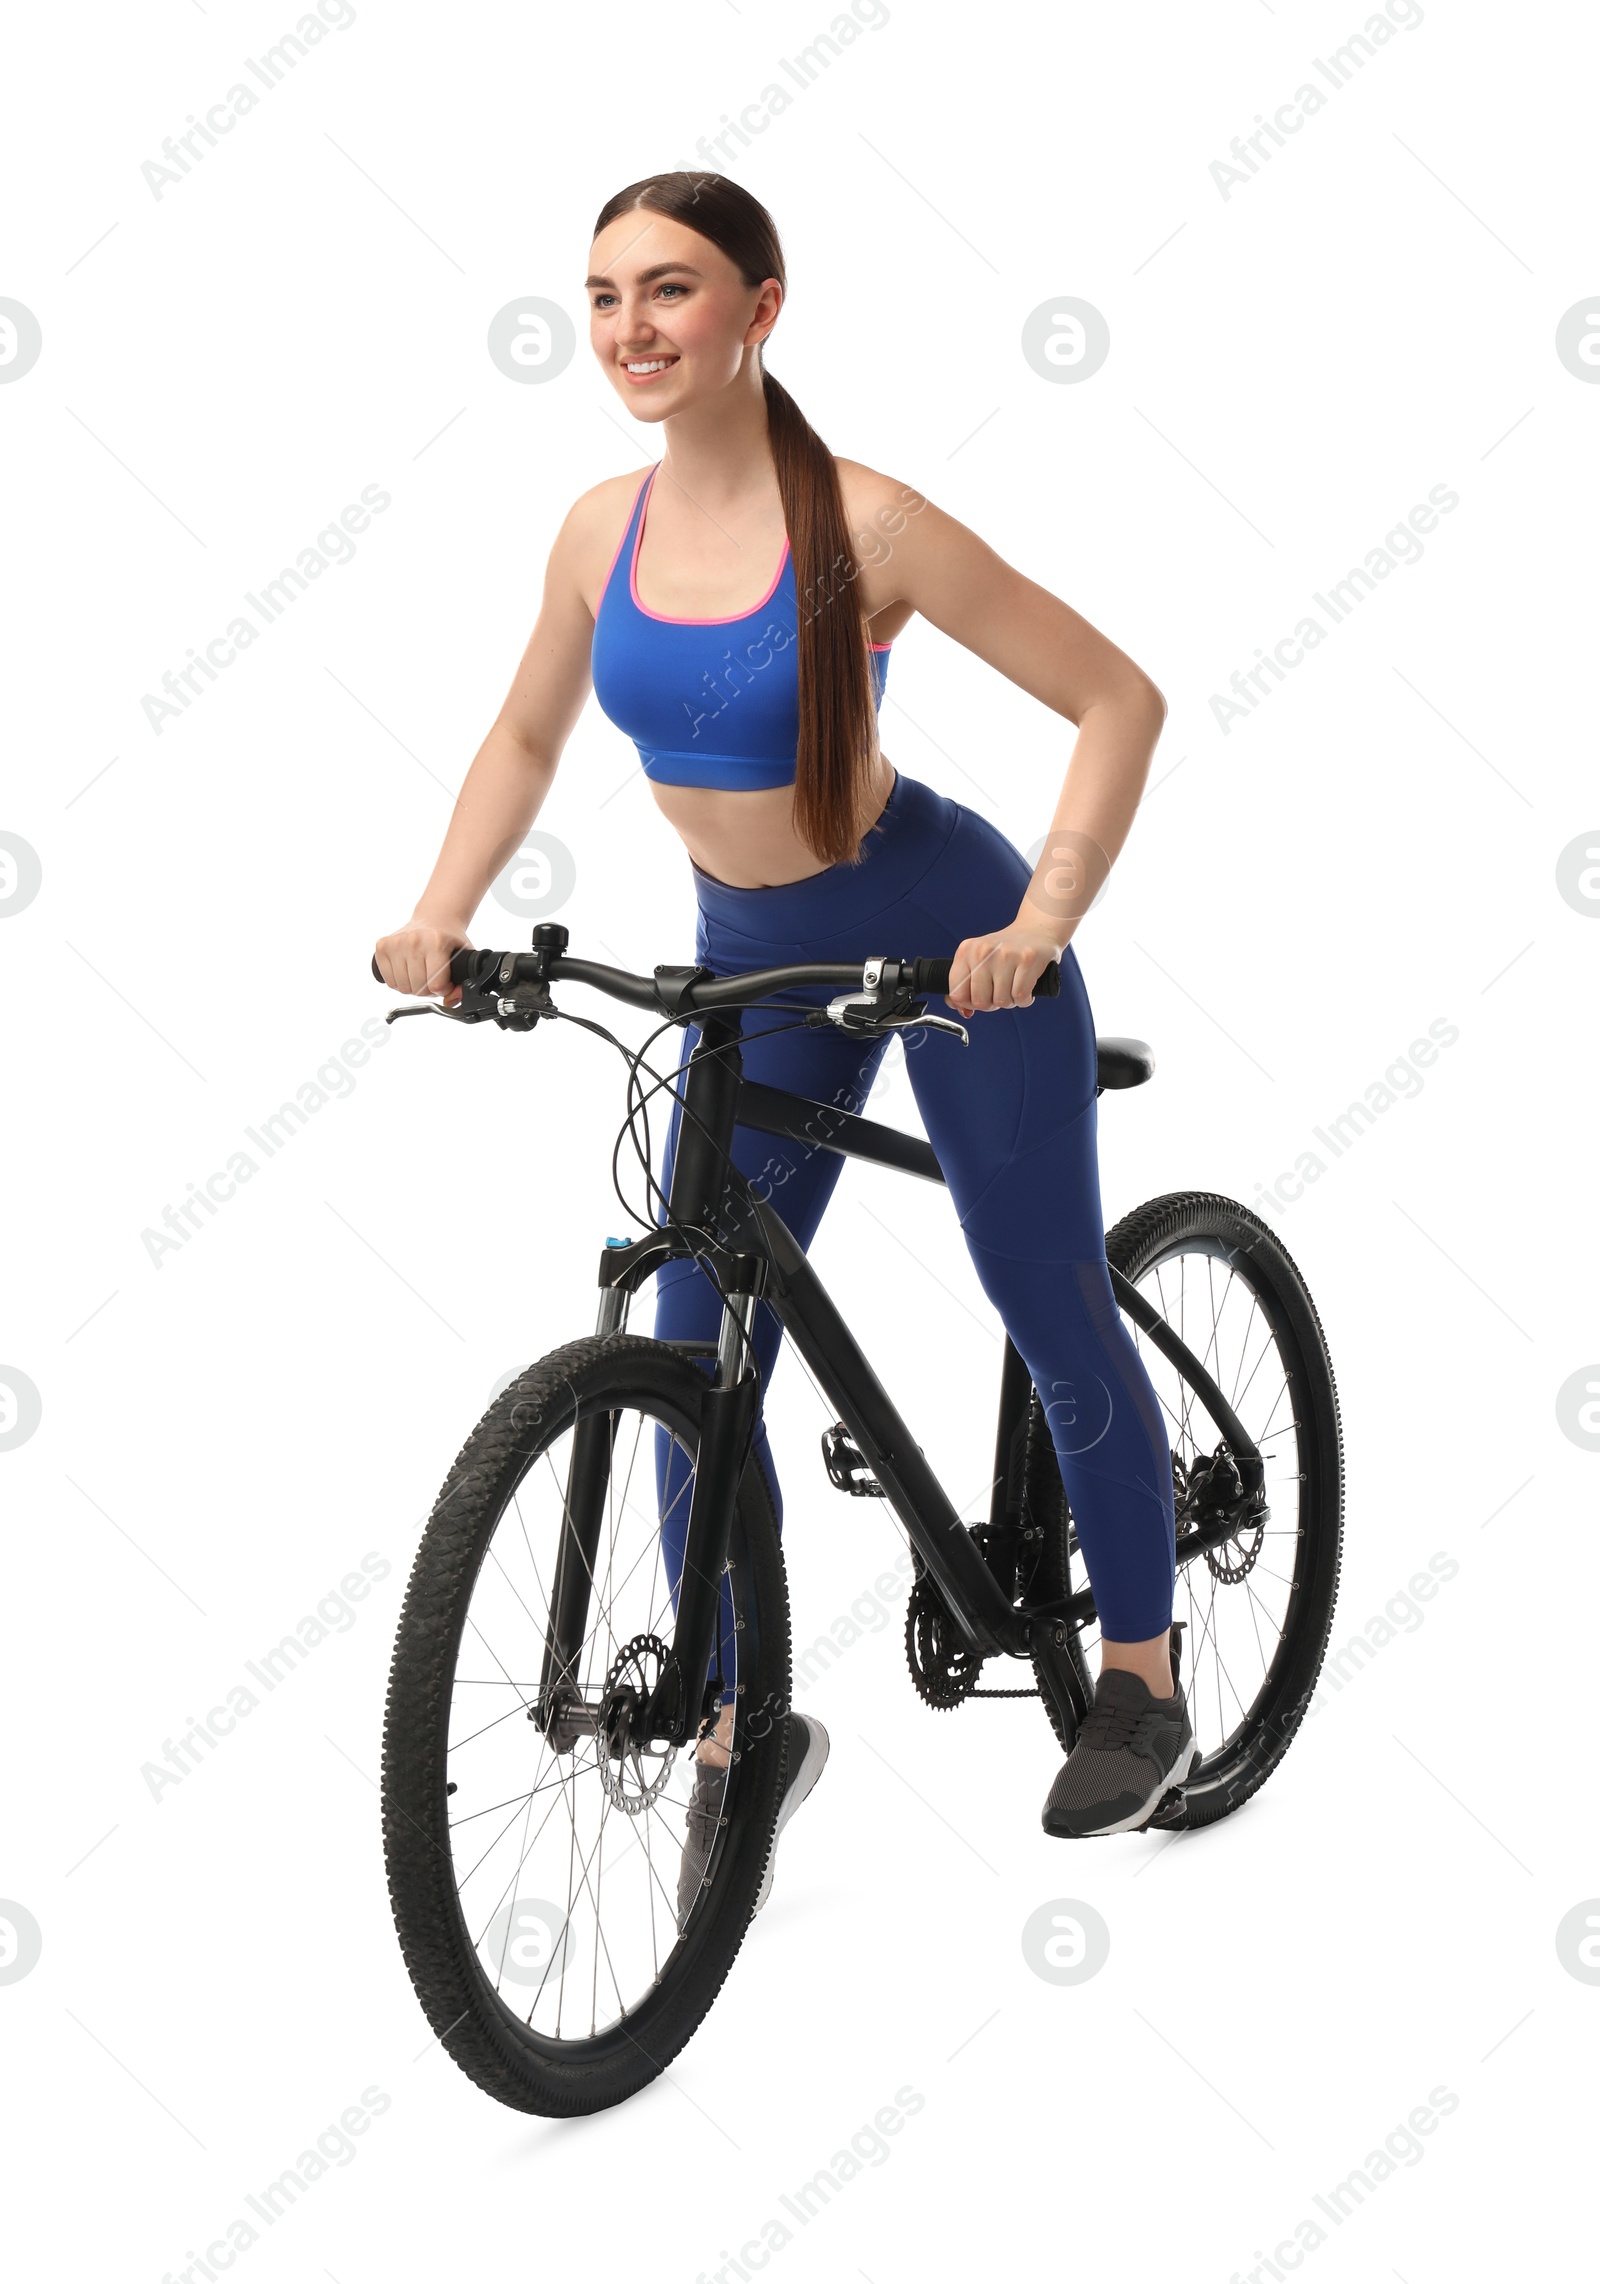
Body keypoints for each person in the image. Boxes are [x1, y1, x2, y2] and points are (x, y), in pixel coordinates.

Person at [374, 173, 1197, 1903]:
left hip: (942, 936)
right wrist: (443, 911)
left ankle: (1140, 1677)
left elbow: (1117, 698)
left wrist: (1036, 928)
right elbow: (525, 735)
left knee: (1042, 1291)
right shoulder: (599, 530)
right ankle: (743, 1714)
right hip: (749, 966)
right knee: (693, 1334)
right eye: (604, 297)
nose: (630, 331)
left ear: (762, 308)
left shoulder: (867, 530)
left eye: (669, 291)